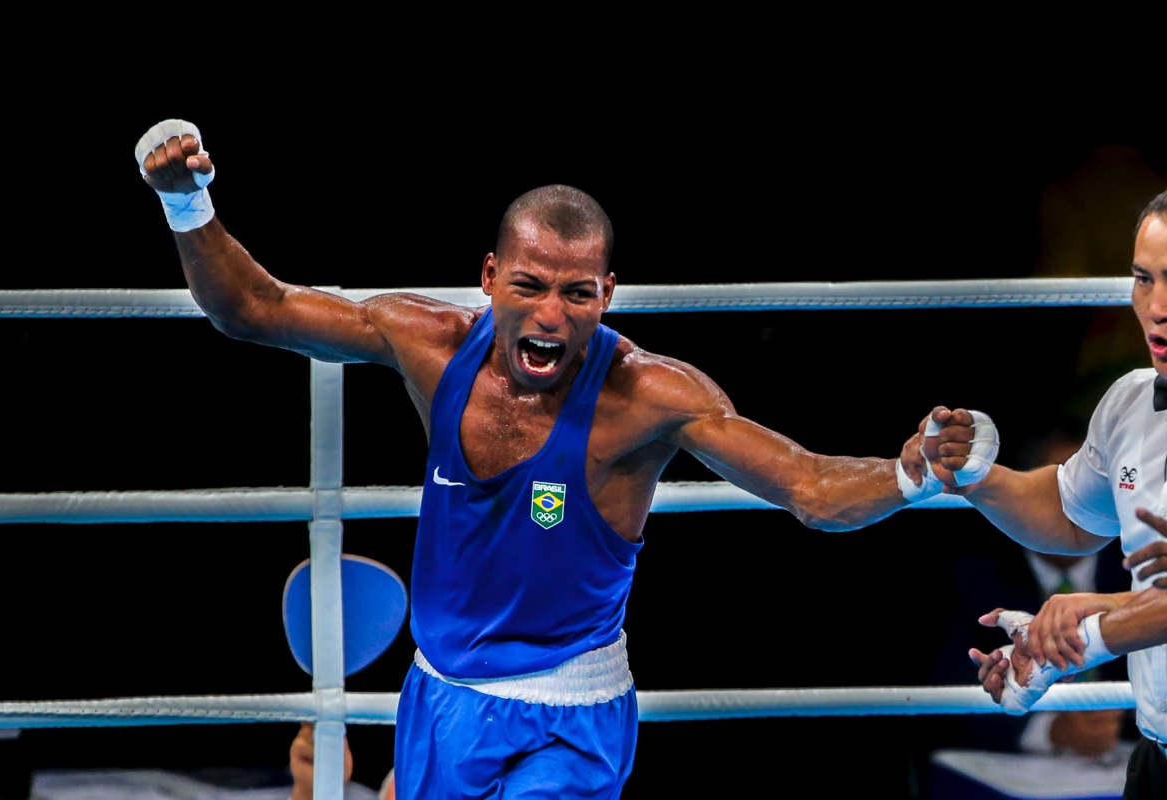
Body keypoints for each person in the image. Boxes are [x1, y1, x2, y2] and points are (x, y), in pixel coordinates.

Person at [135, 120, 992, 798]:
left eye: (577, 292)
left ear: (607, 295)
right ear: (490, 277)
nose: (550, 314)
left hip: (567, 716)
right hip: (439, 700)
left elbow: (808, 485)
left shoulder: (649, 395)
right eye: (531, 285)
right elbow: (253, 307)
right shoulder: (425, 343)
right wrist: (187, 204)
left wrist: (908, 470)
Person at [918, 189, 1167, 797]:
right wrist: (978, 475)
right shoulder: (1131, 401)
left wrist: (1073, 640)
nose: (1157, 307)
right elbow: (1073, 517)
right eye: (1143, 279)